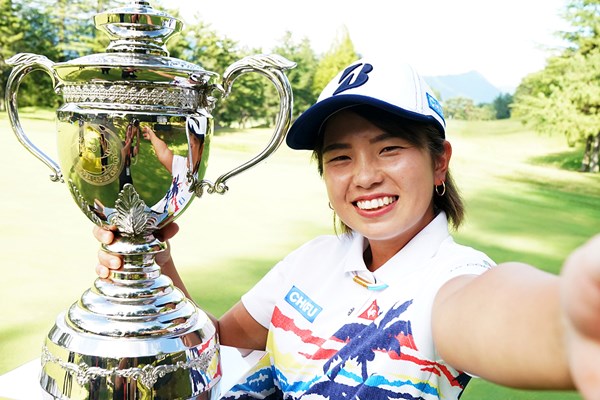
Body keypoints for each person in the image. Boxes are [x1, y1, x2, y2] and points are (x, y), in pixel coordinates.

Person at [94, 58, 600, 399]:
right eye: (340, 156)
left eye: (390, 148)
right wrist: (151, 265)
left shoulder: (451, 276)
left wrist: (574, 325)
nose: (363, 175)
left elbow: (493, 312)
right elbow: (215, 342)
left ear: (439, 161)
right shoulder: (313, 258)